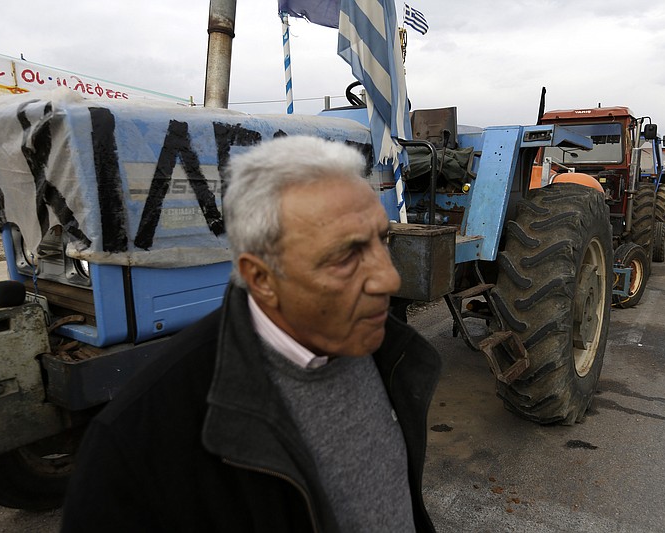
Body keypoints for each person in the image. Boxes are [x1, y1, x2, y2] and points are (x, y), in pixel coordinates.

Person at [61, 135, 442, 532]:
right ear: (260, 278)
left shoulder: (383, 349)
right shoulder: (135, 450)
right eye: (345, 255)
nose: (389, 277)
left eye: (382, 239)